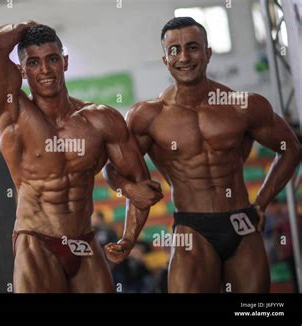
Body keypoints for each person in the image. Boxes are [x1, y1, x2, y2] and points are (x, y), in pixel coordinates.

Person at [104, 17, 302, 293]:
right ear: (165, 59)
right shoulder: (148, 116)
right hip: (192, 228)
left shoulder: (242, 106)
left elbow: (290, 148)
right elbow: (113, 169)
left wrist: (261, 203)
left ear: (208, 53)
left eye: (193, 47)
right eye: (174, 50)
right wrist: (127, 197)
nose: (184, 57)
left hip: (241, 223)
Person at [0, 22, 163, 293]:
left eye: (52, 59)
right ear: (21, 70)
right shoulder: (13, 113)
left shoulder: (101, 119)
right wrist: (33, 27)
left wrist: (128, 237)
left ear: (64, 62)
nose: (44, 70)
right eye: (33, 62)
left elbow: (141, 186)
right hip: (36, 241)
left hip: (84, 241)